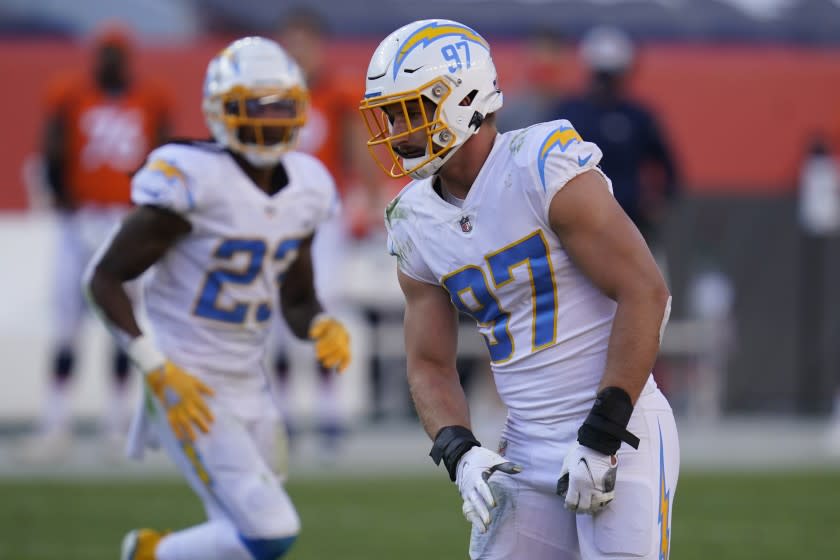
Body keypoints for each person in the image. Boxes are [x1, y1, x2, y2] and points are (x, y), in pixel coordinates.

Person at [359, 19, 679, 559]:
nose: (395, 128)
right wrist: (460, 451)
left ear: (459, 99)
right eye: (389, 113)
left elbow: (646, 292)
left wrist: (602, 433)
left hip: (621, 431)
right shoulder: (412, 219)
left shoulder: (539, 163)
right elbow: (429, 364)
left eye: (407, 110)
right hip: (523, 446)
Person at [85, 37, 351, 560]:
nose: (269, 120)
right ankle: (151, 555)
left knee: (239, 530)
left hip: (249, 378)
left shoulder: (309, 186)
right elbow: (105, 279)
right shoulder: (193, 178)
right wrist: (154, 367)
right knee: (270, 531)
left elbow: (296, 297)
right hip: (186, 379)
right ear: (220, 110)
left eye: (280, 107)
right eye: (254, 106)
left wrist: (319, 322)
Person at [19, 22, 172, 462]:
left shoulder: (150, 98)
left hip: (125, 219)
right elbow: (53, 150)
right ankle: (56, 421)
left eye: (116, 53)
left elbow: (161, 154)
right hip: (80, 216)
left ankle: (117, 422)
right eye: (105, 53)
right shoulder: (70, 94)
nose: (110, 62)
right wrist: (63, 200)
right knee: (67, 323)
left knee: (123, 322)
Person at [554, 25, 679, 249]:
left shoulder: (638, 116)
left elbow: (669, 168)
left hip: (631, 225)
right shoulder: (568, 113)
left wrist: (655, 205)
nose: (605, 83)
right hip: (578, 226)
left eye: (610, 75)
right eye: (601, 74)